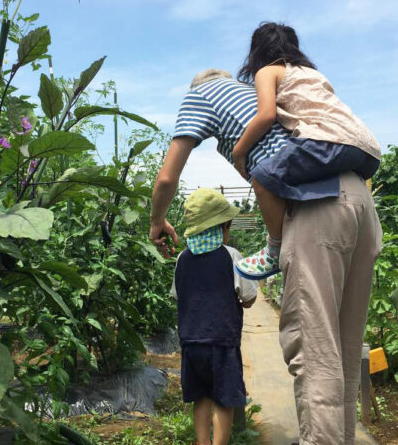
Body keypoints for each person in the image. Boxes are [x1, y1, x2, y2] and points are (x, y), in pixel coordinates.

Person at [232, 22, 381, 280]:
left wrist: (239, 150)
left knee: (263, 177)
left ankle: (274, 250)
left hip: (329, 141)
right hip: (366, 150)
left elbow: (265, 115)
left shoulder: (267, 71)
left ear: (256, 51)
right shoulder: (312, 74)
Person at [149, 67, 291, 258]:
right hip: (325, 170)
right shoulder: (250, 89)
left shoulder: (198, 95)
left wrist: (157, 221)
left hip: (291, 191)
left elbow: (167, 178)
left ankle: (275, 252)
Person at [171, 188, 257, 445]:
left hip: (191, 343)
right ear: (222, 228)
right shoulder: (231, 257)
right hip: (222, 343)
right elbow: (249, 298)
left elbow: (179, 295)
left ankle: (202, 442)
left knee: (201, 397)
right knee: (223, 399)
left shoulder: (182, 259)